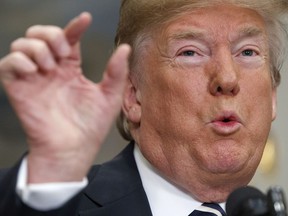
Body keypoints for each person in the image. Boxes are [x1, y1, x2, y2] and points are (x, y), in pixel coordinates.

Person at [0, 0, 287, 215]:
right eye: (190, 52)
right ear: (132, 95)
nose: (227, 78)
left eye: (248, 52)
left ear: (273, 95)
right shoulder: (55, 202)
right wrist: (54, 171)